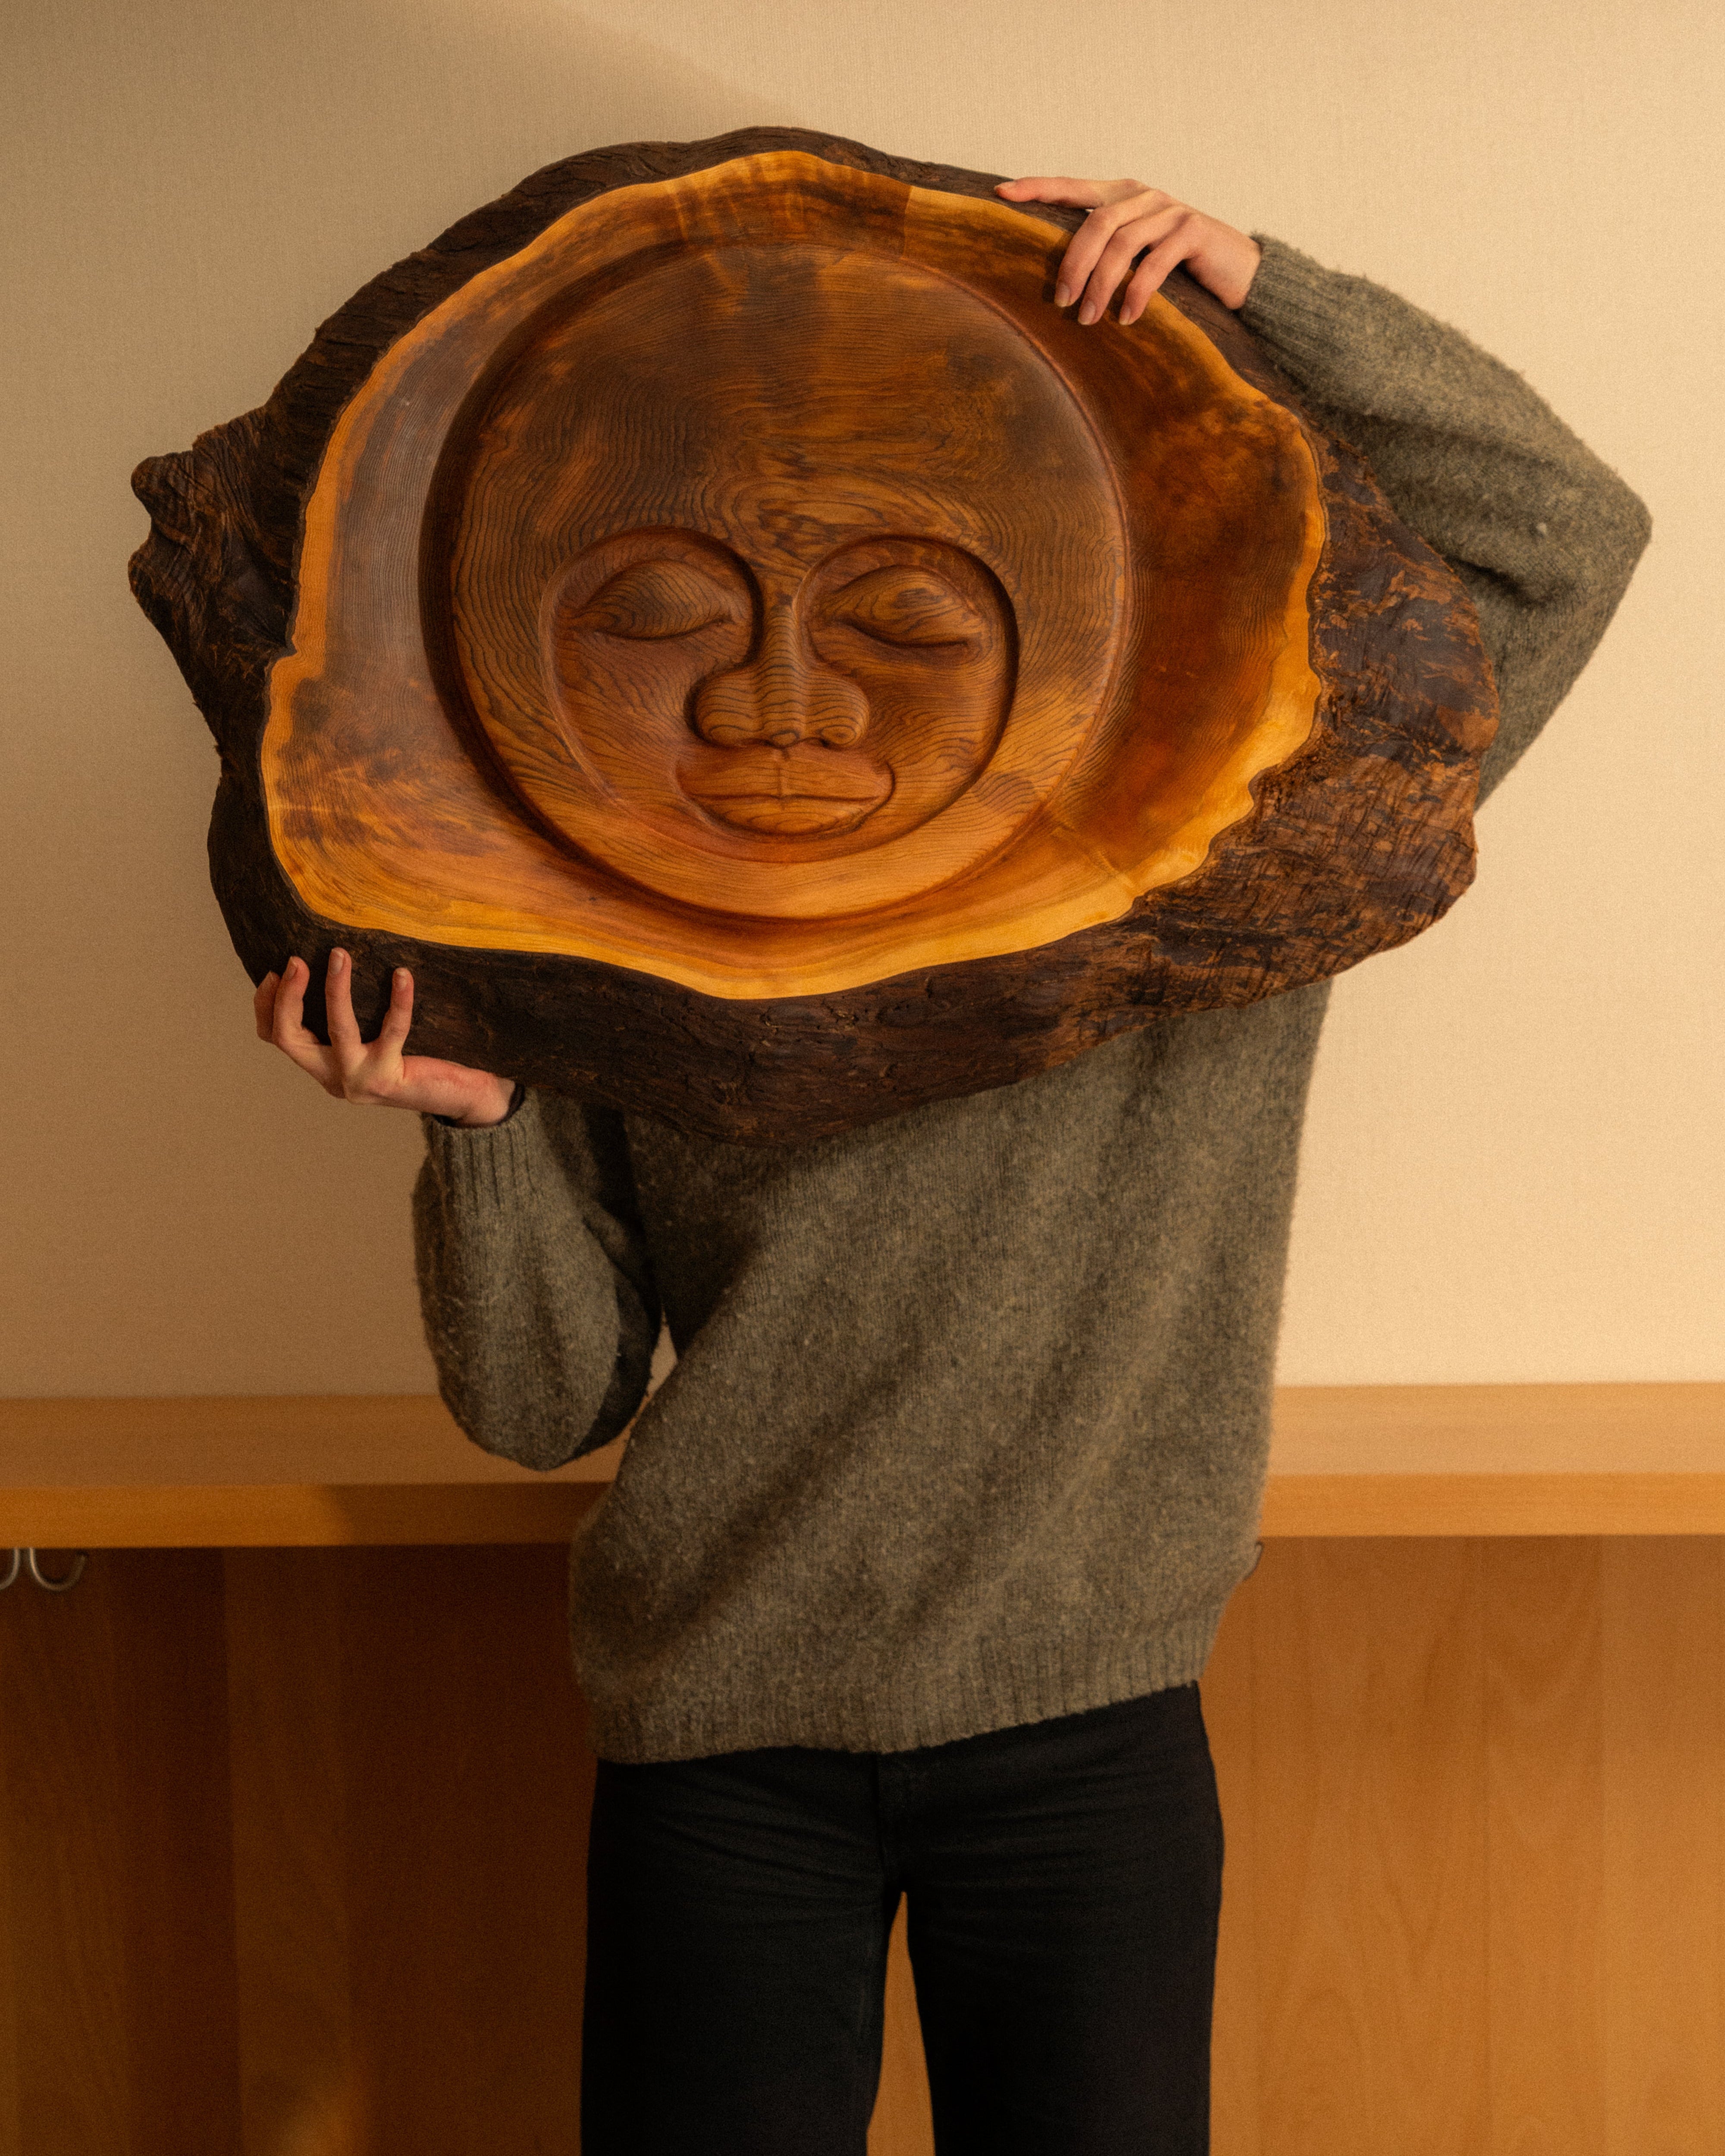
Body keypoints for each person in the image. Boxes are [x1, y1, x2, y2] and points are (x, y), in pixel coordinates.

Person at [256, 175, 1651, 2155]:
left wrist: (1263, 288)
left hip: (1087, 1725)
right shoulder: (621, 904)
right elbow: (539, 1402)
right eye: (665, 615)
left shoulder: (1235, 865)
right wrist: (471, 1133)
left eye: (906, 614)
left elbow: (1568, 537)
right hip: (715, 1728)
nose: (776, 698)